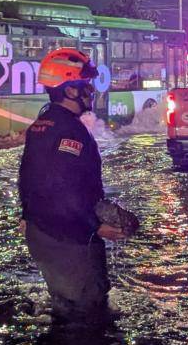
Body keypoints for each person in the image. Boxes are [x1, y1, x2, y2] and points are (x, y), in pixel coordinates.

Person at [18, 48, 126, 320]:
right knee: (86, 317)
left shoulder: (42, 124)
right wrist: (96, 226)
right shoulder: (70, 130)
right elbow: (62, 188)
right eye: (84, 85)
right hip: (68, 236)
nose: (90, 90)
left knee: (65, 308)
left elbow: (29, 177)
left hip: (44, 229)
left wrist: (27, 214)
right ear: (68, 91)